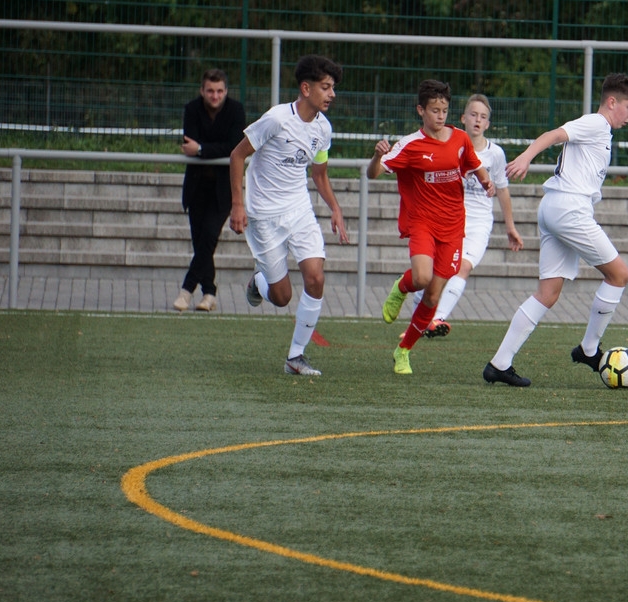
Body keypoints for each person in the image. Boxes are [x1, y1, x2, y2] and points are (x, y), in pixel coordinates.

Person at [483, 73, 628, 387]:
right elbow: (554, 134)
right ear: (612, 102)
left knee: (547, 294)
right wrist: (526, 157)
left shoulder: (601, 131)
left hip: (554, 207)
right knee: (619, 274)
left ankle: (499, 364)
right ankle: (588, 349)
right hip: (570, 209)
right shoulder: (597, 122)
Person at [228, 55, 350, 377]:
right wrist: (238, 205)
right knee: (282, 297)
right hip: (264, 217)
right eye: (326, 87)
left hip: (299, 211)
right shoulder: (276, 119)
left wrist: (335, 208)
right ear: (306, 88)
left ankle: (296, 356)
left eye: (333, 87)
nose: (332, 94)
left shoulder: (323, 128)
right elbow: (237, 155)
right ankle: (259, 283)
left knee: (316, 277)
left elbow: (319, 174)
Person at [367, 80, 494, 375]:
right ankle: (402, 287)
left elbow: (475, 164)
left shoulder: (460, 138)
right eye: (434, 110)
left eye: (444, 110)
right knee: (422, 278)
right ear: (421, 110)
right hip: (422, 222)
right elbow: (374, 173)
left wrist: (487, 181)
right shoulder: (410, 145)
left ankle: (403, 350)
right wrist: (376, 155)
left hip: (453, 226)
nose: (440, 115)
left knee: (434, 297)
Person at [405, 93, 523, 339]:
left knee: (463, 267)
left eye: (483, 117)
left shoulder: (495, 154)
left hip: (479, 223)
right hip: (448, 217)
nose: (478, 120)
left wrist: (510, 226)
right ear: (463, 118)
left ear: (488, 124)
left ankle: (436, 319)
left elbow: (502, 190)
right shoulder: (452, 145)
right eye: (473, 115)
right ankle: (419, 319)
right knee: (434, 275)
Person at [173, 68, 246, 312]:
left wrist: (202, 149)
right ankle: (209, 293)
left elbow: (234, 147)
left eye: (219, 91)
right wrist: (208, 149)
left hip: (223, 188)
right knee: (201, 242)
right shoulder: (192, 109)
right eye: (210, 91)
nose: (215, 96)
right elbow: (189, 145)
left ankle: (186, 291)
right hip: (197, 186)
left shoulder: (236, 111)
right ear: (202, 91)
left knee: (209, 236)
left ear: (226, 91)